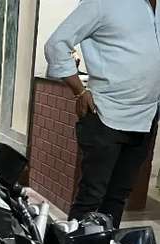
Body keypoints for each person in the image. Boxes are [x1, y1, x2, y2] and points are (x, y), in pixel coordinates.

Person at [44, 0, 160, 227]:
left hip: (147, 116)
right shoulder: (102, 2)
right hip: (106, 115)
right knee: (91, 197)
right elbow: (56, 44)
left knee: (118, 196)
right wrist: (79, 91)